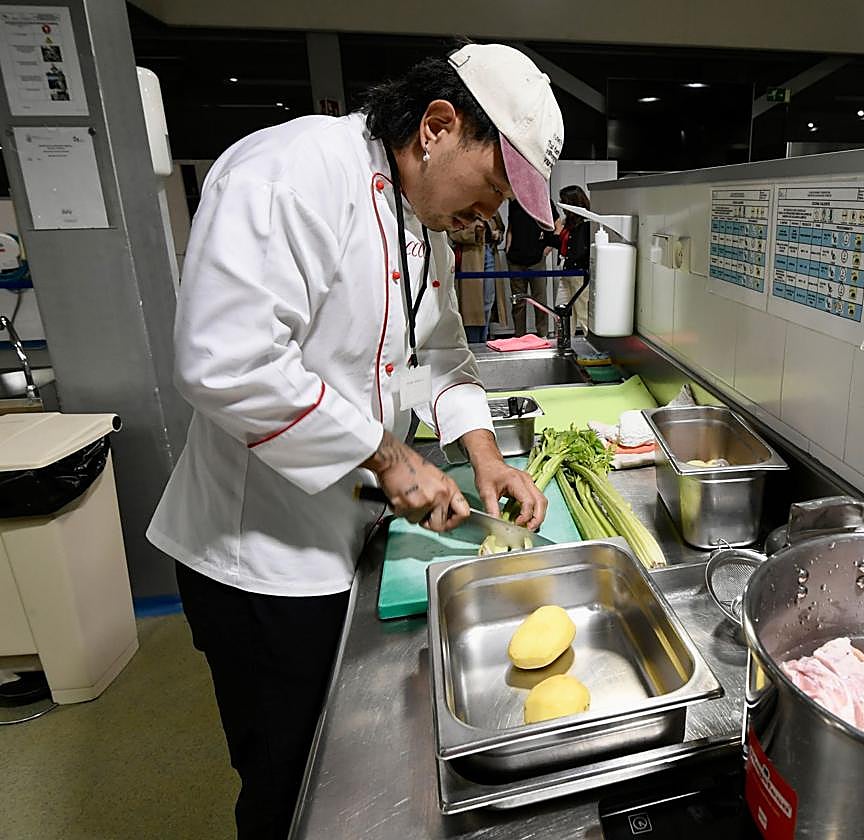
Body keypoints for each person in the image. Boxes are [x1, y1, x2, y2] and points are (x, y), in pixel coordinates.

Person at [147, 43, 561, 838]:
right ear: (437, 127)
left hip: (350, 535)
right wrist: (389, 457)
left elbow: (442, 355)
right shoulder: (290, 173)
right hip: (259, 560)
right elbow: (225, 361)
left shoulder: (422, 224)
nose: (489, 213)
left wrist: (484, 455)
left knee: (341, 776)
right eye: (493, 184)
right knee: (288, 785)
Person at [451, 214, 504, 342]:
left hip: (490, 253)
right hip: (471, 257)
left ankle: (484, 339)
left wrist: (498, 235)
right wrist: (474, 232)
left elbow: (500, 228)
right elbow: (452, 233)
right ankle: (474, 342)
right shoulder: (462, 208)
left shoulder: (490, 208)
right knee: (472, 307)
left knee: (488, 301)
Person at [504, 197, 552, 337]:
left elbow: (555, 225)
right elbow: (511, 227)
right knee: (518, 302)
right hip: (515, 259)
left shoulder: (543, 201)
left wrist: (547, 249)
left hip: (536, 259)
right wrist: (508, 247)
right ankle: (519, 335)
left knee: (540, 301)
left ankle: (543, 334)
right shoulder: (514, 203)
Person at [553, 184, 593, 334]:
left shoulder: (586, 223)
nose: (561, 205)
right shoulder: (569, 223)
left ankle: (592, 343)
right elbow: (562, 244)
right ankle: (564, 341)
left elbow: (581, 250)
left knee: (583, 313)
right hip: (566, 272)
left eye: (563, 201)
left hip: (579, 274)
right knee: (562, 311)